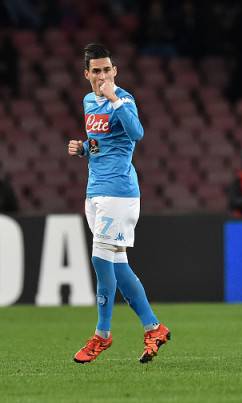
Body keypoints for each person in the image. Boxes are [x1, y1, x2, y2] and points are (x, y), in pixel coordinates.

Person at [68, 43, 170, 364]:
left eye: (107, 69)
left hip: (119, 193)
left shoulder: (123, 99)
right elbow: (103, 142)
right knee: (118, 265)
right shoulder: (88, 101)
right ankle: (153, 327)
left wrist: (114, 98)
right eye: (95, 71)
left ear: (115, 71)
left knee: (100, 260)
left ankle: (102, 334)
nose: (102, 76)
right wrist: (84, 148)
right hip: (95, 191)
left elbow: (136, 133)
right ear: (86, 74)